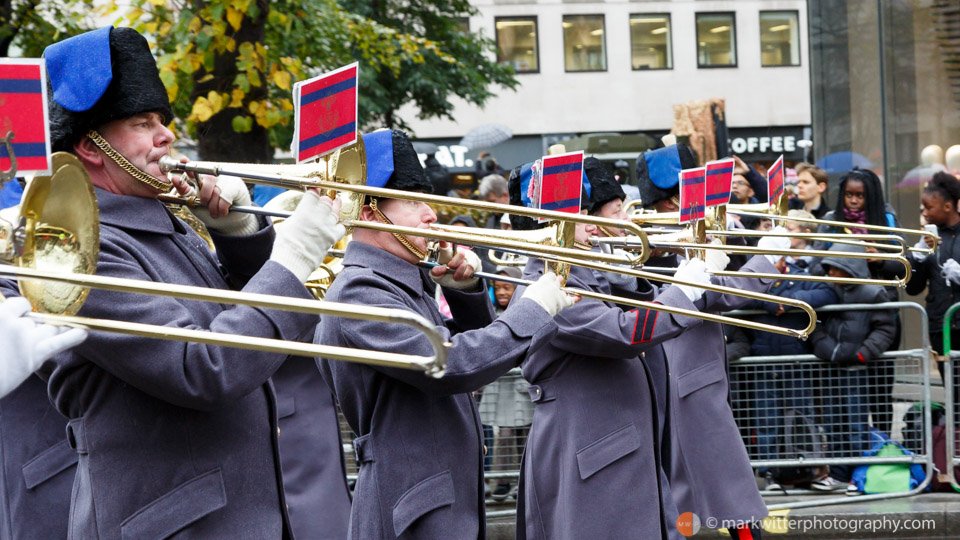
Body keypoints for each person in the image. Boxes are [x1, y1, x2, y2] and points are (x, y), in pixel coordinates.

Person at [40, 27, 346, 539]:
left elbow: (248, 320)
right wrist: (296, 253)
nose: (165, 136)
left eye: (162, 121)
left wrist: (240, 232)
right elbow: (205, 369)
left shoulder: (163, 222)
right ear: (91, 147)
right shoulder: (80, 248)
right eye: (143, 123)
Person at [315, 129, 575, 540]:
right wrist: (534, 309)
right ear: (369, 213)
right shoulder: (359, 289)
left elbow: (481, 349)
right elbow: (451, 365)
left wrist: (465, 291)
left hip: (432, 498)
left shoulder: (400, 282)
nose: (432, 214)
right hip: (412, 507)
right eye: (415, 202)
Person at [508, 157, 713, 540]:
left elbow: (637, 304)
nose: (591, 223)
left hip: (617, 447)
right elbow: (623, 333)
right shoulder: (549, 282)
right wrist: (683, 292)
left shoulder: (582, 270)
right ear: (549, 226)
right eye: (579, 214)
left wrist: (635, 272)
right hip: (593, 454)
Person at [809, 168, 905, 437]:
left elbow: (904, 266)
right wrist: (838, 262)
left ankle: (882, 447)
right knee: (838, 394)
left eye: (859, 196)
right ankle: (844, 456)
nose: (853, 201)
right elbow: (815, 266)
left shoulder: (886, 219)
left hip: (878, 318)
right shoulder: (830, 221)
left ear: (871, 196)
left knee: (880, 388)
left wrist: (880, 260)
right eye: (849, 195)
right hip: (838, 319)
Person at [745, 251, 838, 490]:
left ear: (783, 261)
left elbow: (827, 292)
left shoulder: (801, 277)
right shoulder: (750, 279)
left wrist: (792, 300)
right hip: (764, 362)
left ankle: (808, 468)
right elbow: (736, 297)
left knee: (802, 416)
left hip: (795, 361)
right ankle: (769, 473)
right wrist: (767, 302)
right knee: (766, 420)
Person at [808, 244, 896, 494]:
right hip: (831, 367)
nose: (831, 274)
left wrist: (863, 353)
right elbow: (815, 321)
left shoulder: (873, 292)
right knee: (833, 424)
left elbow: (886, 328)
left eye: (836, 269)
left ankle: (858, 476)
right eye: (829, 269)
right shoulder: (825, 290)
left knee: (856, 424)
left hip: (856, 369)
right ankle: (837, 475)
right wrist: (822, 345)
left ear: (849, 267)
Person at [906, 171, 960, 382]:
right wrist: (917, 258)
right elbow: (913, 288)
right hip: (940, 323)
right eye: (923, 208)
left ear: (947, 206)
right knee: (952, 386)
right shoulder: (929, 239)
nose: (925, 213)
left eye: (929, 208)